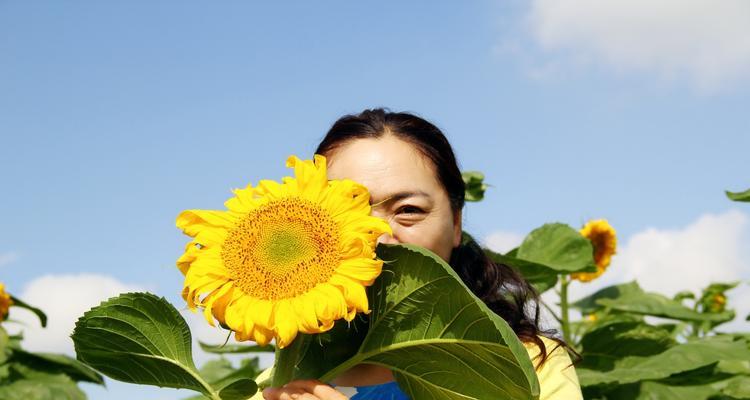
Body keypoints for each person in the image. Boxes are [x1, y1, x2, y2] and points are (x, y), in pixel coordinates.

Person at [261, 108, 582, 400]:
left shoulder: (525, 364)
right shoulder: (278, 384)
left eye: (408, 210)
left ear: (456, 223)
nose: (380, 237)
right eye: (347, 212)